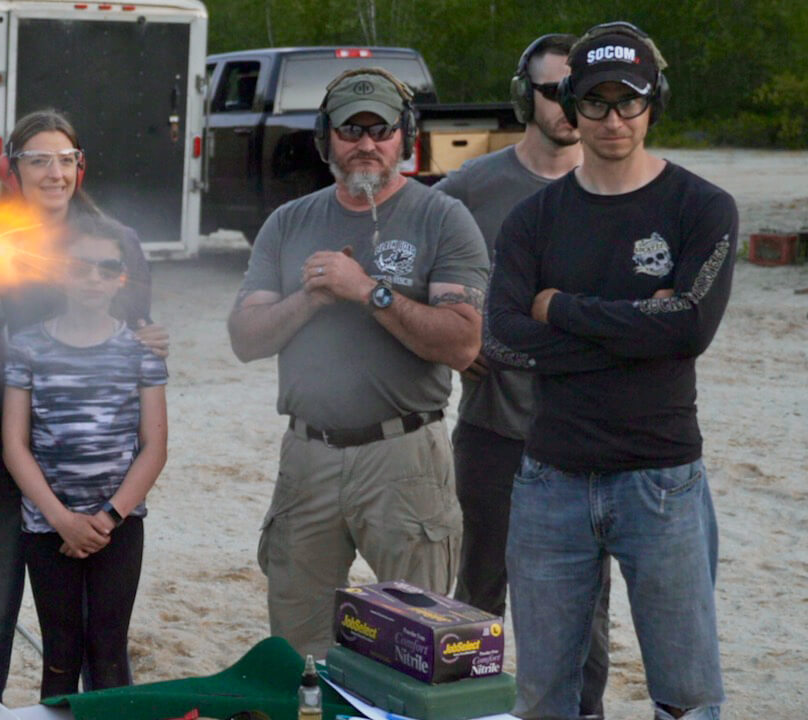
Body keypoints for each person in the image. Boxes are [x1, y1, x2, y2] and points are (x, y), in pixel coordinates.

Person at [485, 22, 733, 720]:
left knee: (686, 697)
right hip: (550, 482)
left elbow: (690, 327)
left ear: (655, 104)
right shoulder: (532, 220)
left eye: (630, 101)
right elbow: (501, 337)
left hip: (662, 483)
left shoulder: (702, 207)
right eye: (595, 102)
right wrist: (639, 327)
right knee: (543, 698)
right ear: (570, 106)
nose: (613, 119)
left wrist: (558, 306)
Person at [227, 67, 489, 659]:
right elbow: (245, 337)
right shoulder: (288, 222)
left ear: (405, 136)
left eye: (381, 129)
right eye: (350, 129)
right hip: (307, 457)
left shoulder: (442, 218)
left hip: (404, 459)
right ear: (326, 140)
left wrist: (367, 290)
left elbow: (462, 343)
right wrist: (311, 298)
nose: (366, 144)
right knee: (299, 647)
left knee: (415, 648)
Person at [0, 109, 167, 699]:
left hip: (89, 462)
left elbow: (136, 333)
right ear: (12, 168)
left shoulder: (114, 242)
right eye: (39, 160)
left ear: (81, 167)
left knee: (102, 633)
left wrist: (153, 338)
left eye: (66, 160)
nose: (55, 173)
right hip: (5, 449)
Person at [433, 33, 612, 719]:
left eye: (583, 93)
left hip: (588, 435)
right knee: (478, 595)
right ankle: (467, 712)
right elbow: (400, 259)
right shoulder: (469, 190)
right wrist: (452, 344)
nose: (570, 106)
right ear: (522, 97)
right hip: (495, 430)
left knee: (586, 605)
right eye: (553, 91)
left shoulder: (619, 188)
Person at [2, 213, 169, 697]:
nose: (93, 278)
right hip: (47, 528)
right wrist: (61, 519)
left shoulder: (141, 351)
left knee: (109, 648)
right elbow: (14, 444)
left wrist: (108, 518)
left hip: (118, 527)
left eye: (106, 268)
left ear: (121, 276)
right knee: (60, 651)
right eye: (80, 267)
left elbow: (154, 447)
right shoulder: (27, 346)